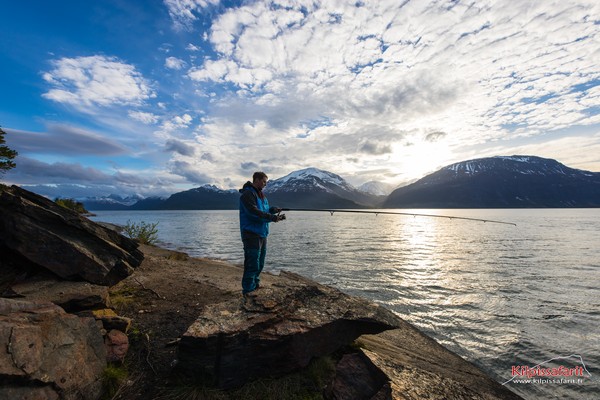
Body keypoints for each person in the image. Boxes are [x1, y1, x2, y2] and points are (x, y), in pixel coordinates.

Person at [239, 171, 285, 295]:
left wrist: (273, 210)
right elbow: (253, 212)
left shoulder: (262, 196)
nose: (265, 184)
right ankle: (248, 290)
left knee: (260, 263)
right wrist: (272, 217)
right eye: (264, 181)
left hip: (262, 233)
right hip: (251, 233)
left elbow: (263, 210)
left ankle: (255, 286)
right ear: (257, 180)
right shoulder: (247, 194)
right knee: (252, 263)